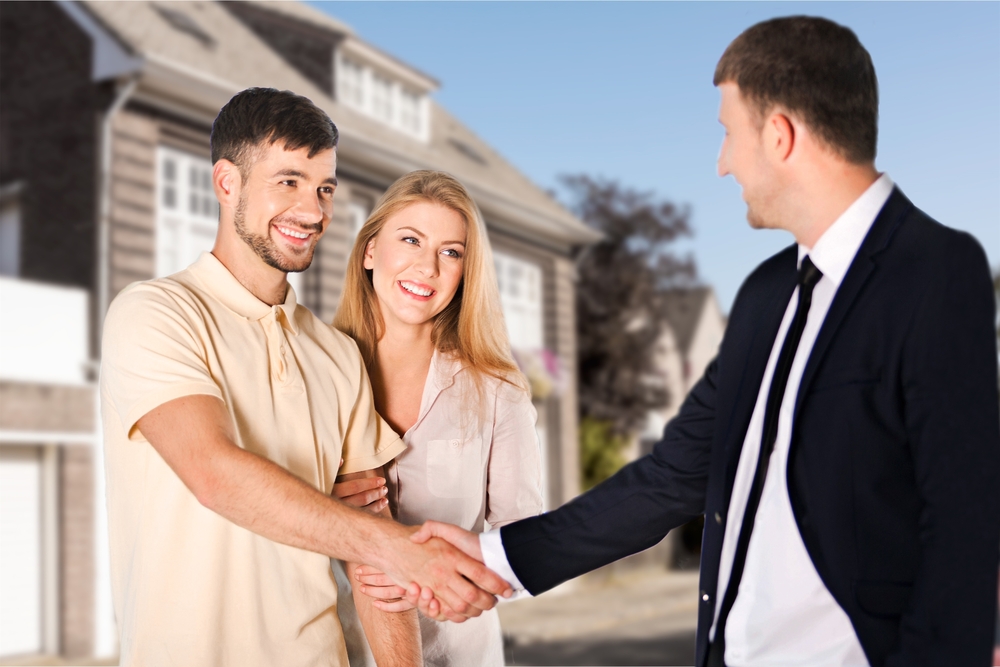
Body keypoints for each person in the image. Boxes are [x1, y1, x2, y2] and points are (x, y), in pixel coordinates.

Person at [409, 16, 1000, 667]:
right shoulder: (763, 296)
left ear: (780, 135)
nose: (722, 164)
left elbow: (964, 523)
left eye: (729, 134)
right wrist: (492, 556)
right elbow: (670, 478)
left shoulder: (936, 271)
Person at [99, 88, 510, 667]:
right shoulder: (157, 313)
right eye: (287, 182)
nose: (313, 211)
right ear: (226, 183)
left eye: (324, 189)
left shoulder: (337, 356)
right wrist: (403, 549)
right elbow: (214, 473)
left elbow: (372, 545)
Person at [328, 170, 542, 666]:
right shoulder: (311, 370)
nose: (428, 266)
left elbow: (524, 545)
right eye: (411, 239)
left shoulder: (496, 388)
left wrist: (438, 570)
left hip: (459, 655)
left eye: (451, 252)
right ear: (369, 252)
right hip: (335, 652)